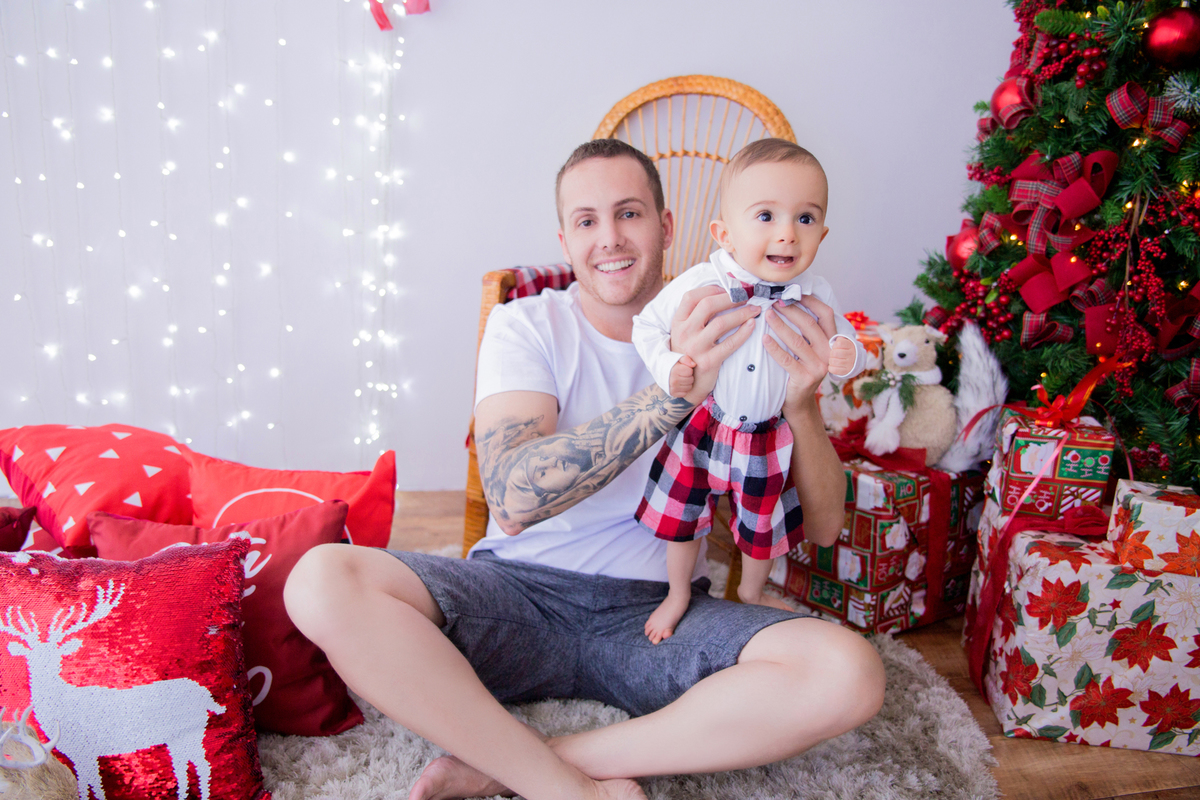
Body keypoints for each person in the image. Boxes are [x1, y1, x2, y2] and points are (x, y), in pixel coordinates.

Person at [283, 138, 885, 800]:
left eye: (629, 213)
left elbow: (825, 529)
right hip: (513, 594)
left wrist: (800, 407)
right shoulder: (527, 326)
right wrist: (672, 395)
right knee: (319, 579)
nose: (610, 239)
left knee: (850, 672)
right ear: (566, 241)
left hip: (656, 616)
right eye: (587, 221)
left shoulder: (738, 323)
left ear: (668, 226)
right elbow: (513, 496)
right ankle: (569, 791)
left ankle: (519, 762)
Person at [632, 138, 867, 645]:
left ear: (822, 233)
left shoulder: (816, 293)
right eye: (766, 216)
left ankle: (751, 593)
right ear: (725, 234)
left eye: (805, 219)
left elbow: (844, 338)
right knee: (683, 517)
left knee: (764, 528)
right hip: (704, 426)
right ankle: (677, 593)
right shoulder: (704, 281)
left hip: (768, 434)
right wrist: (669, 362)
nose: (787, 233)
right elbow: (645, 326)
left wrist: (849, 355)